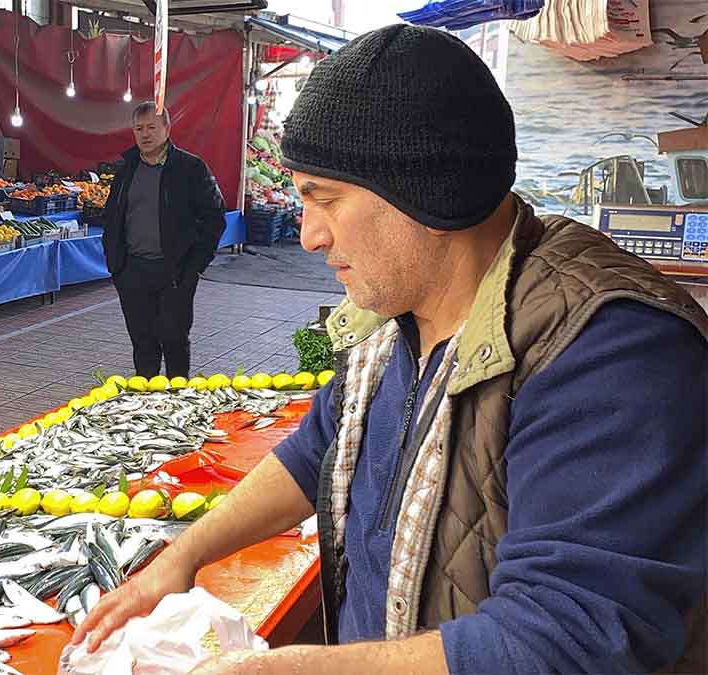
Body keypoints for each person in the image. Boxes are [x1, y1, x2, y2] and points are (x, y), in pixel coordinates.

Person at [73, 25, 708, 674]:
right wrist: (185, 554)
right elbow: (315, 447)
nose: (310, 235)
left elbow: (565, 639)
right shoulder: (394, 319)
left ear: (422, 189)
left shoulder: (610, 352)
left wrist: (278, 669)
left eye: (324, 198)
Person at [101, 102, 226, 379]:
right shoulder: (125, 169)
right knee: (142, 342)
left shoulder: (191, 168)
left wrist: (195, 266)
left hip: (176, 273)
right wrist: (115, 265)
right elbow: (111, 218)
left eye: (152, 128)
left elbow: (215, 219)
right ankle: (147, 401)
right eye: (139, 128)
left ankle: (178, 399)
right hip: (132, 271)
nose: (145, 135)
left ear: (167, 129)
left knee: (174, 340)